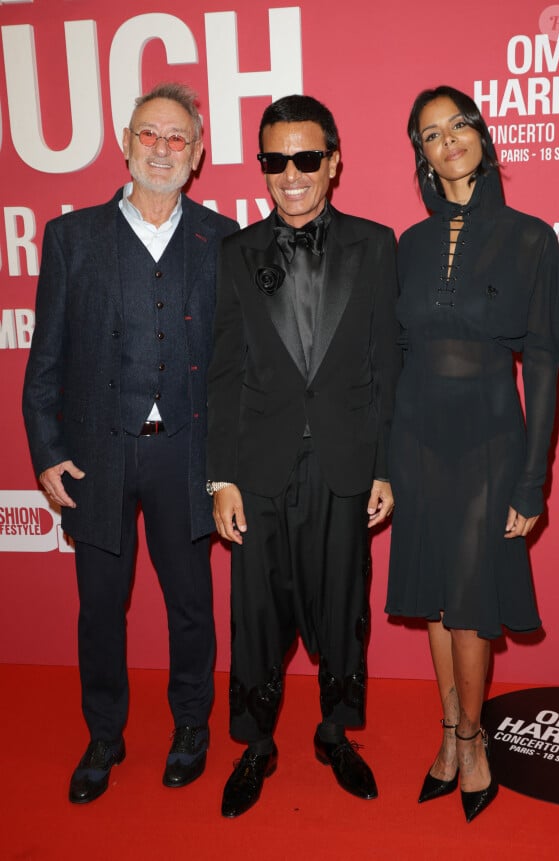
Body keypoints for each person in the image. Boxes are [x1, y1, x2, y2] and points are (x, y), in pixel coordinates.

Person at [22, 82, 238, 804]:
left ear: (199, 153)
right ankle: (104, 735)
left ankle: (190, 727)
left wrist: (230, 461)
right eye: (150, 134)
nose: (163, 149)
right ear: (125, 140)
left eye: (178, 139)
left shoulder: (221, 239)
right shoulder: (71, 237)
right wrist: (48, 451)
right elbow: (44, 359)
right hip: (98, 453)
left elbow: (238, 365)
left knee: (191, 606)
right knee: (99, 606)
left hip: (187, 452)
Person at [206, 94, 400, 817]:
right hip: (258, 467)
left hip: (346, 463)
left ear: (334, 162)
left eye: (306, 158)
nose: (291, 174)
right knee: (255, 615)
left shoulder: (377, 245)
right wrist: (219, 476)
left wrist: (383, 465)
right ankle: (257, 744)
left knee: (344, 605)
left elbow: (386, 365)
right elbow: (223, 372)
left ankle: (333, 733)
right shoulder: (234, 252)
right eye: (275, 160)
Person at [386, 85, 559, 822]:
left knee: (469, 604)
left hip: (492, 441)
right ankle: (447, 729)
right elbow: (394, 352)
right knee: (434, 596)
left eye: (458, 124)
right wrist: (381, 461)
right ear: (423, 158)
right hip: (415, 438)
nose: (448, 139)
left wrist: (534, 477)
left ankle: (472, 738)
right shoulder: (411, 243)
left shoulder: (531, 238)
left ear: (481, 136)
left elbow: (547, 365)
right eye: (430, 134)